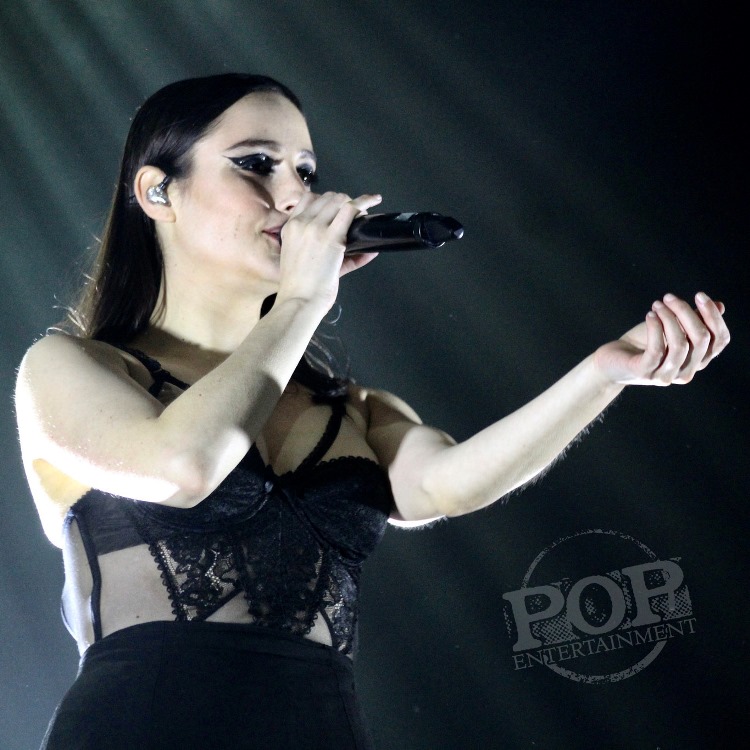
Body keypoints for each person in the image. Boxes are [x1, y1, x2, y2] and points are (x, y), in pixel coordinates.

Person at [14, 73, 730, 750]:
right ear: (157, 190)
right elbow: (183, 465)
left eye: (305, 171)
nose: (294, 195)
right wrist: (302, 299)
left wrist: (604, 374)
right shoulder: (69, 369)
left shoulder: (352, 408)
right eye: (256, 164)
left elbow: (447, 484)